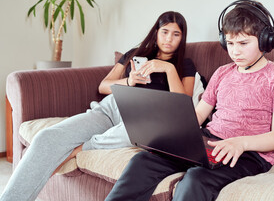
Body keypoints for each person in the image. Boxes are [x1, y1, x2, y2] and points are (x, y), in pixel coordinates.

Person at [105, 0, 274, 201]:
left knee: (196, 178)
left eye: (243, 43)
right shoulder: (222, 72)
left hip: (248, 153)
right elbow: (199, 114)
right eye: (230, 43)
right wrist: (171, 135)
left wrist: (240, 143)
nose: (235, 51)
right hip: (208, 142)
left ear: (265, 41)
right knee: (143, 160)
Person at [0, 11, 196, 201]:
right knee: (46, 137)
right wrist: (129, 81)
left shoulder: (184, 65)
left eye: (176, 34)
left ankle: (81, 148)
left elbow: (183, 104)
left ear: (182, 38)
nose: (169, 38)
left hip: (145, 118)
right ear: (156, 33)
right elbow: (103, 86)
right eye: (165, 32)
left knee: (144, 132)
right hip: (111, 109)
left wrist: (168, 69)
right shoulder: (134, 54)